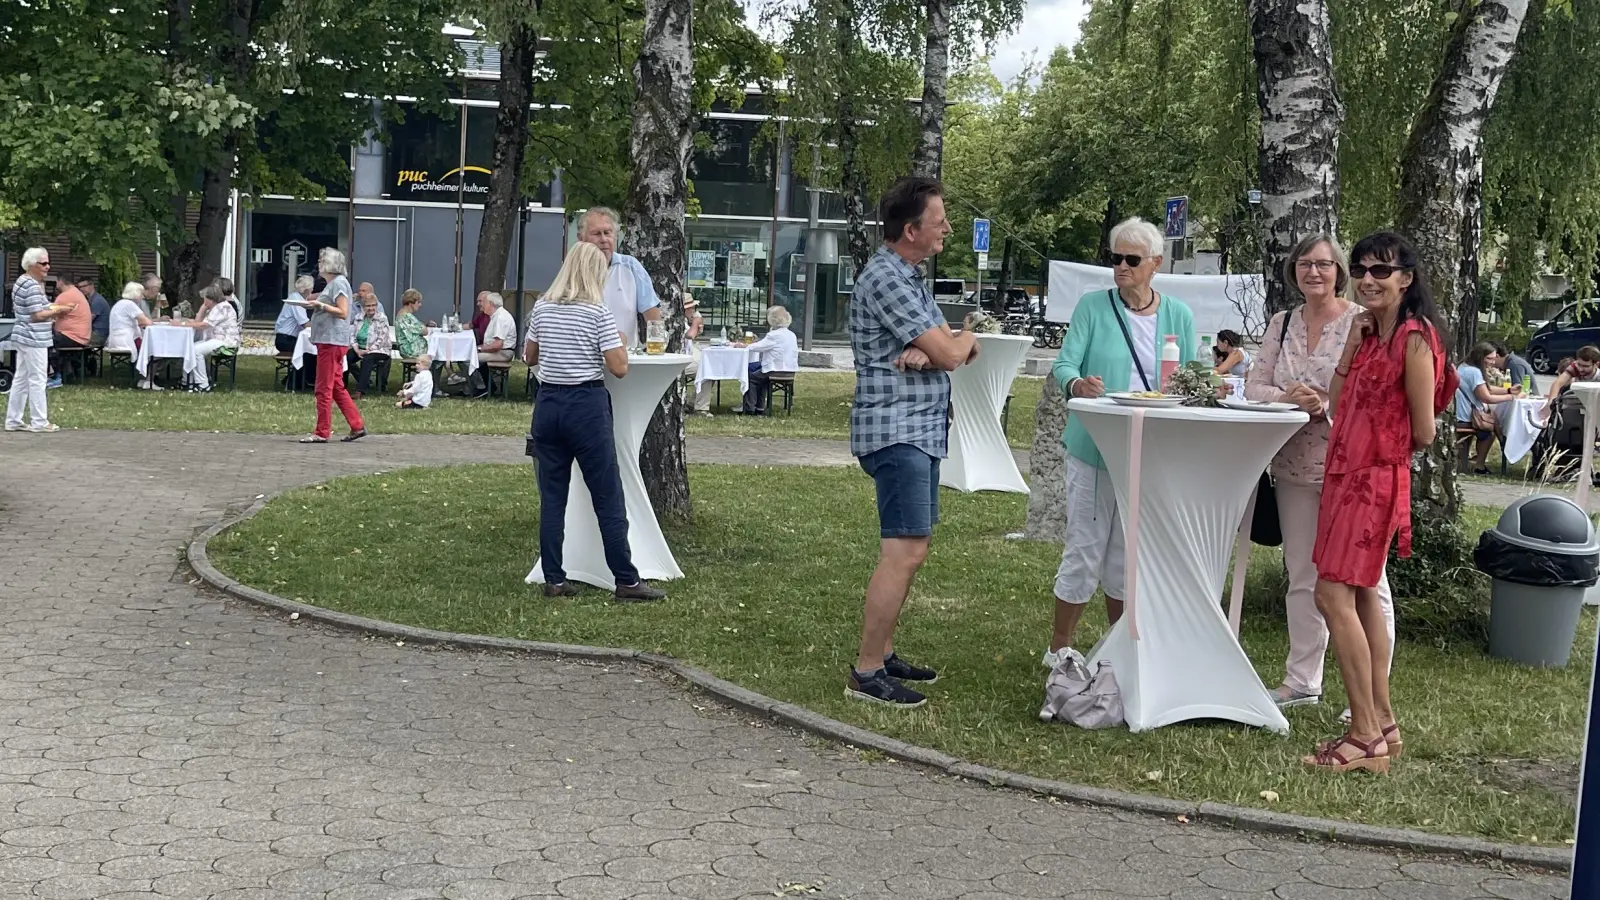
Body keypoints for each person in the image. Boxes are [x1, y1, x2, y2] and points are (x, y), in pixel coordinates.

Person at [1306, 231, 1453, 774]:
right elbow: (1340, 404)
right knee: (1361, 594)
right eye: (1362, 270)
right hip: (1346, 472)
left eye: (1381, 271)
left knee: (1330, 595)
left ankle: (1364, 735)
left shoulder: (1415, 337)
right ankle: (1383, 725)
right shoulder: (1369, 332)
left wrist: (1378, 449)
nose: (1368, 279)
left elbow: (1426, 429)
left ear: (1406, 280)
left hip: (1374, 479)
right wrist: (1350, 344)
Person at [1245, 234, 1396, 711]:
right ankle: (1301, 679)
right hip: (1293, 466)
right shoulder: (1281, 322)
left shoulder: (1363, 322)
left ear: (1340, 273)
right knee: (1303, 575)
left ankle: (1370, 693)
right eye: (1305, 264)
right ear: (1294, 270)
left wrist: (1326, 403)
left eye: (1324, 265)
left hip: (1351, 469)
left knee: (1369, 583)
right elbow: (1254, 387)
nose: (1314, 272)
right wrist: (1289, 399)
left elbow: (1377, 395)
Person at [845, 175, 978, 709]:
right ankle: (868, 671)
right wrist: (960, 337)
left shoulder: (909, 276)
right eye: (939, 219)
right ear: (910, 229)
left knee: (907, 549)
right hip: (896, 429)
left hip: (917, 429)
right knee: (905, 550)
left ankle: (885, 651)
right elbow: (955, 351)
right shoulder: (890, 280)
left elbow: (952, 350)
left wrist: (946, 345)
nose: (946, 226)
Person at [1044, 217, 1198, 669]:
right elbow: (1064, 365)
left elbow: (1189, 375)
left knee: (1127, 554)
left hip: (1149, 448)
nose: (1122, 268)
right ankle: (1058, 646)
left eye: (1132, 260)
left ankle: (1119, 647)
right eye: (1116, 259)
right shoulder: (1094, 307)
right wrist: (1079, 386)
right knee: (1085, 546)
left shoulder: (1179, 316)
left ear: (1155, 263)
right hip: (1096, 444)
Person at [523, 241, 667, 603]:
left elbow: (529, 356)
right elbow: (618, 368)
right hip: (585, 405)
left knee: (553, 497)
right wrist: (616, 340)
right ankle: (625, 579)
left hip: (549, 403)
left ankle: (554, 578)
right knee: (607, 495)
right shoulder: (597, 312)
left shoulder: (542, 307)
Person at [301, 248, 366, 443]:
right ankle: (357, 425)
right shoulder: (333, 284)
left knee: (323, 387)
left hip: (331, 341)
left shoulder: (338, 283)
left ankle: (322, 431)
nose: (319, 262)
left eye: (322, 259)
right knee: (336, 386)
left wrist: (320, 306)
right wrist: (313, 303)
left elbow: (343, 311)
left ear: (331, 264)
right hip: (330, 340)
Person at [577, 207, 661, 347]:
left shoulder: (631, 267)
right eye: (596, 234)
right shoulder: (573, 270)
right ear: (581, 238)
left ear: (615, 236)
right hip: (584, 360)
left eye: (608, 233)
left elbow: (653, 317)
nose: (603, 239)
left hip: (624, 360)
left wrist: (656, 350)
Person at [6, 248, 69, 433]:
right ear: (32, 265)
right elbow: (37, 315)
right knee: (38, 379)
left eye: (48, 263)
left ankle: (13, 419)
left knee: (21, 379)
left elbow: (36, 309)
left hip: (23, 335)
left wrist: (55, 308)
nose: (47, 267)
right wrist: (58, 310)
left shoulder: (22, 281)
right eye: (43, 263)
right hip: (34, 338)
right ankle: (40, 421)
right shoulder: (32, 285)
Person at [1455, 341, 1520, 474]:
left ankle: (1471, 461)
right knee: (1489, 432)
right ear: (1480, 357)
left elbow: (1486, 389)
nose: (1493, 362)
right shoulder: (1474, 372)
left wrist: (1508, 391)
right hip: (1467, 416)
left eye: (1494, 358)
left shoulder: (1463, 367)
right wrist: (1512, 397)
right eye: (1489, 358)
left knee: (1493, 423)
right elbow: (1487, 397)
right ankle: (1479, 464)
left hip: (1461, 413)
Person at [173, 284, 241, 392]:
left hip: (225, 341)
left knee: (195, 351)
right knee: (190, 348)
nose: (203, 300)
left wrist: (181, 325)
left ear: (211, 299)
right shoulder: (215, 307)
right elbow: (198, 322)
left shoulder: (222, 307)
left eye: (205, 298)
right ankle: (187, 381)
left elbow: (203, 325)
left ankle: (203, 384)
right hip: (216, 339)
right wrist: (202, 308)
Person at [739, 305, 800, 414]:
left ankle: (750, 408)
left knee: (749, 375)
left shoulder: (774, 335)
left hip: (775, 369)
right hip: (790, 370)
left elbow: (757, 347)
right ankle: (760, 407)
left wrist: (744, 346)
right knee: (755, 369)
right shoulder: (791, 335)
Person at [106, 281, 158, 389]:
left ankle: (143, 378)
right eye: (141, 293)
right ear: (136, 294)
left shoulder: (120, 304)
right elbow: (147, 322)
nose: (142, 296)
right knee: (154, 350)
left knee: (147, 346)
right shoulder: (130, 305)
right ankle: (148, 380)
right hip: (126, 340)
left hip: (115, 339)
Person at [469, 291, 517, 398]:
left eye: (484, 302)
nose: (481, 305)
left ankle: (483, 387)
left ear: (490, 304)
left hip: (503, 352)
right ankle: (488, 385)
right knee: (474, 356)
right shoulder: (496, 315)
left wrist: (480, 348)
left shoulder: (500, 318)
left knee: (471, 358)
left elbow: (497, 345)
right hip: (500, 351)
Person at [348, 291, 392, 400]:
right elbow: (352, 335)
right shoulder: (358, 317)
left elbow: (381, 339)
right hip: (361, 348)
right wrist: (356, 349)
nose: (371, 308)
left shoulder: (382, 318)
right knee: (345, 357)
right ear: (363, 307)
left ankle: (360, 390)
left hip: (380, 349)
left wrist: (367, 350)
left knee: (368, 359)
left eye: (373, 305)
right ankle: (342, 387)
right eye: (368, 306)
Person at [50, 275, 93, 385]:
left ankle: (53, 374)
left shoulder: (65, 296)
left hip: (72, 336)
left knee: (44, 342)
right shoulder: (76, 293)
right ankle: (66, 372)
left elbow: (49, 312)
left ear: (60, 282)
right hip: (82, 336)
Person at [275, 275, 314, 390]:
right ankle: (293, 382)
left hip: (286, 338)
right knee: (308, 354)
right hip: (285, 339)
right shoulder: (297, 301)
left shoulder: (295, 297)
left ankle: (296, 380)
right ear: (307, 290)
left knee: (308, 352)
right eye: (311, 289)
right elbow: (305, 323)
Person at [680, 293, 713, 416]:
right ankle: (701, 408)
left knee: (708, 367)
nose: (694, 311)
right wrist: (695, 323)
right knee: (706, 370)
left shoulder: (684, 321)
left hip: (685, 357)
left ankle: (694, 403)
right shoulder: (679, 322)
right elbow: (689, 336)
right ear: (687, 309)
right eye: (692, 308)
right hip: (680, 360)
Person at [77, 276, 110, 372]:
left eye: (84, 286)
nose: (82, 289)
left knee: (71, 340)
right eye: (80, 287)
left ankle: (75, 368)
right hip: (94, 332)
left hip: (99, 335)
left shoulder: (97, 301)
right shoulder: (91, 299)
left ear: (92, 285)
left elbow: (87, 320)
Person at [395, 289, 428, 360]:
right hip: (412, 350)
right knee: (437, 350)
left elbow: (414, 328)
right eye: (418, 302)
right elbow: (425, 331)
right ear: (411, 303)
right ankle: (436, 370)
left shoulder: (401, 314)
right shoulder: (407, 317)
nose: (420, 305)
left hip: (407, 349)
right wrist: (424, 326)